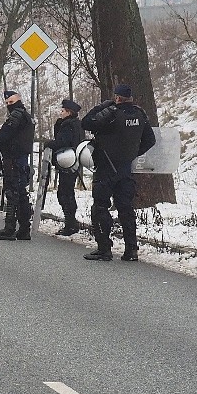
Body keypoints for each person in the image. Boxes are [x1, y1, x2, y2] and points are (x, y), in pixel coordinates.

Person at [81, 84, 156, 262]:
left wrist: (101, 106)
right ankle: (131, 250)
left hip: (106, 167)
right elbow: (150, 140)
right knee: (126, 208)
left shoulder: (111, 114)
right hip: (125, 169)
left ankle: (104, 249)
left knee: (100, 207)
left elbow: (86, 122)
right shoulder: (140, 114)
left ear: (117, 98)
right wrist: (132, 155)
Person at [0, 90, 35, 241]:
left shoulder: (17, 115)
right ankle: (24, 229)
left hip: (14, 160)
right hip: (19, 160)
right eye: (7, 103)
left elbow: (6, 133)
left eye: (11, 102)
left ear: (18, 101)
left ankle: (10, 229)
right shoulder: (25, 116)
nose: (9, 105)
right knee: (20, 195)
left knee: (13, 194)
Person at [45, 98, 84, 236]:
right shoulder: (76, 124)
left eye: (63, 111)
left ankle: (70, 223)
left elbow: (62, 142)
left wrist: (49, 143)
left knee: (64, 193)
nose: (60, 113)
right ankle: (70, 222)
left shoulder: (68, 125)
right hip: (73, 161)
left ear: (69, 112)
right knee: (67, 192)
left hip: (67, 161)